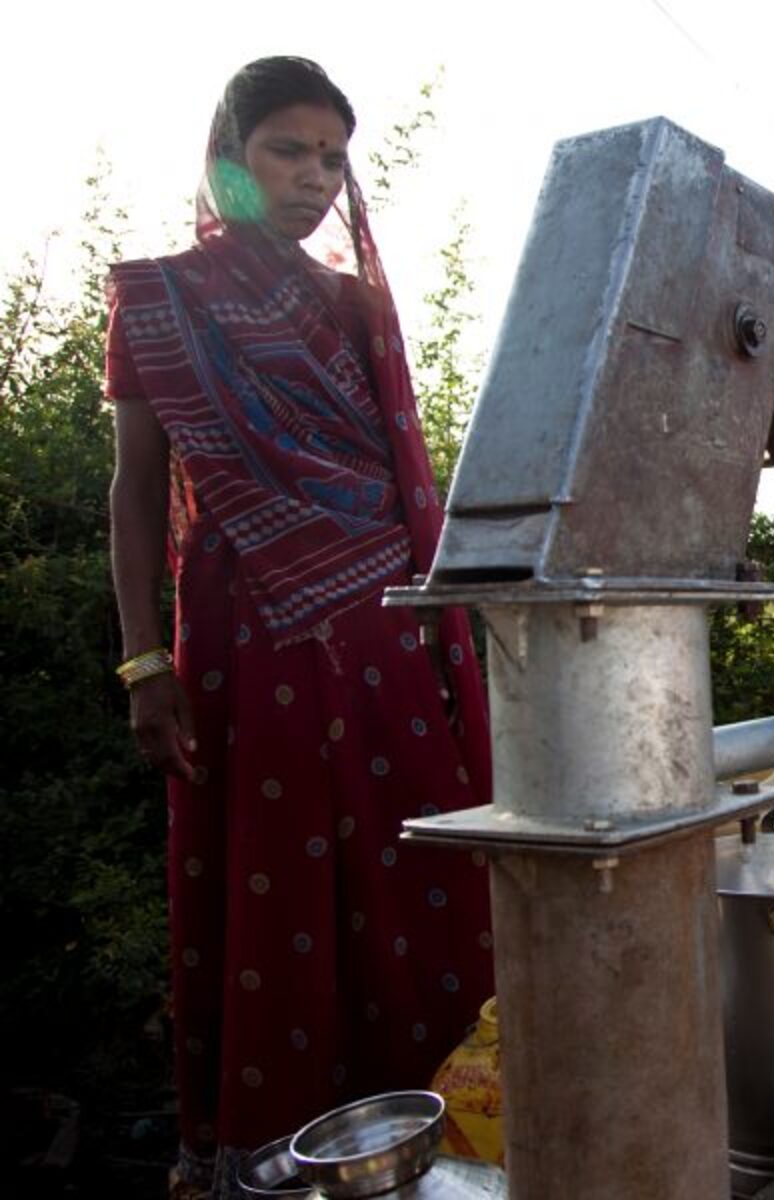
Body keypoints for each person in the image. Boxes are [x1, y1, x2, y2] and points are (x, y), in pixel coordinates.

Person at [106, 57, 493, 1194]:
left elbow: (401, 484)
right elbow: (136, 489)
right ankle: (278, 1157)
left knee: (415, 879)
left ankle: (445, 1145)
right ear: (229, 158)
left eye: (331, 156)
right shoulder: (160, 300)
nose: (314, 176)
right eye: (288, 149)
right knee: (271, 886)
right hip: (243, 635)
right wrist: (142, 660)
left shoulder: (356, 307)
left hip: (381, 639)